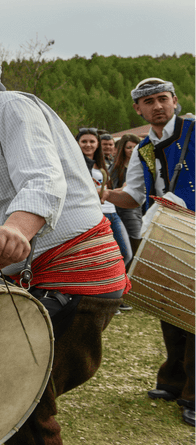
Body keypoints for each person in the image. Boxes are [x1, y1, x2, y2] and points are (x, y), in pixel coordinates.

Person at [0, 41, 128, 445]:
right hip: (52, 281)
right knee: (9, 401)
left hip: (75, 279)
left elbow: (42, 178)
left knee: (14, 402)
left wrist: (19, 228)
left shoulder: (11, 107)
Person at [104, 77, 195, 427]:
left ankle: (194, 395)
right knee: (170, 309)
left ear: (174, 100)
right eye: (149, 101)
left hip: (193, 232)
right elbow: (134, 196)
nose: (157, 106)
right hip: (162, 234)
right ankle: (173, 382)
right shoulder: (143, 147)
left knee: (194, 316)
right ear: (137, 109)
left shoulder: (193, 130)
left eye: (163, 99)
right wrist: (106, 195)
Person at [76, 127, 132, 267]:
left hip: (112, 212)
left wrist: (121, 189)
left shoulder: (102, 164)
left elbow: (105, 189)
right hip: (94, 215)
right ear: (77, 143)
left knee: (126, 254)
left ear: (97, 144)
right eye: (84, 141)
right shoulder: (75, 164)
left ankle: (119, 285)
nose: (88, 144)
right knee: (98, 258)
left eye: (92, 141)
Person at [107, 133, 142, 254]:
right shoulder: (117, 167)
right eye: (129, 147)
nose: (132, 150)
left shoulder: (142, 165)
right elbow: (111, 189)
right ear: (123, 149)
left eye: (135, 146)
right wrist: (124, 188)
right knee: (135, 241)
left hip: (140, 208)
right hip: (125, 209)